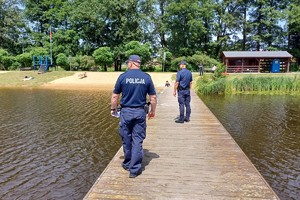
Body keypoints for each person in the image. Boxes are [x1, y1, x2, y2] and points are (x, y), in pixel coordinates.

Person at [110, 55, 157, 178]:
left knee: (126, 138)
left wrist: (113, 109)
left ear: (131, 63)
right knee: (137, 140)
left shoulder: (123, 76)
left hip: (126, 112)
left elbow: (115, 96)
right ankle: (134, 170)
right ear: (139, 64)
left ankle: (127, 163)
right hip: (140, 112)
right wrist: (153, 111)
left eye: (128, 63)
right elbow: (153, 97)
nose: (127, 65)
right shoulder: (146, 77)